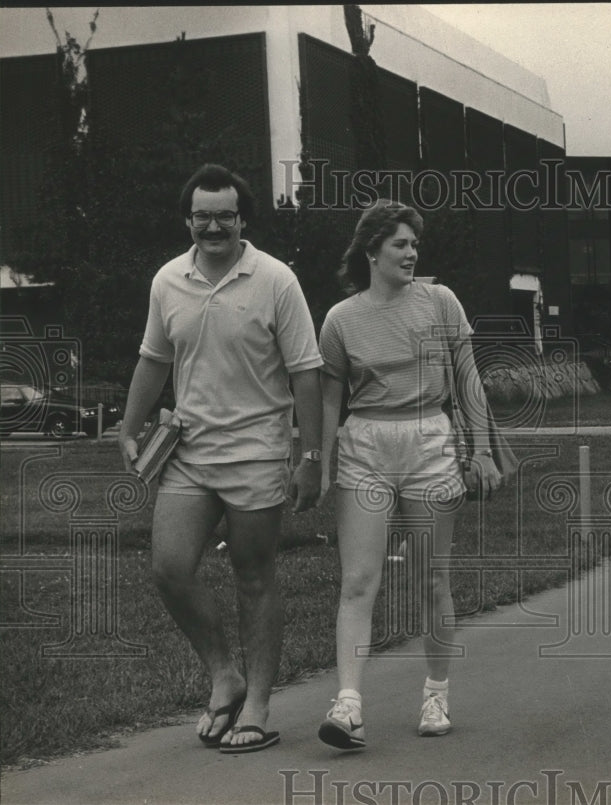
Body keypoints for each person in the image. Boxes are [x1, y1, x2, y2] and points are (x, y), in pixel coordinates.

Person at [117, 164, 324, 753]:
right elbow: (154, 359)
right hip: (188, 449)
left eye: (225, 216)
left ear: (242, 219)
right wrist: (129, 429)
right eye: (202, 216)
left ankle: (257, 703)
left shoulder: (276, 280)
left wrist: (309, 454)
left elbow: (306, 371)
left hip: (257, 451)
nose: (213, 226)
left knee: (254, 576)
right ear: (188, 220)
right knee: (169, 568)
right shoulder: (167, 280)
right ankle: (224, 674)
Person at [316, 199, 501, 750]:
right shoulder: (340, 319)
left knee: (432, 579)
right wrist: (320, 464)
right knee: (358, 581)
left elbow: (469, 381)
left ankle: (436, 693)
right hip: (366, 445)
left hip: (429, 443)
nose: (411, 252)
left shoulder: (441, 303)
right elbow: (330, 403)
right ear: (372, 251)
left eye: (415, 244)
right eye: (400, 244)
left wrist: (483, 451)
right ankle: (348, 706)